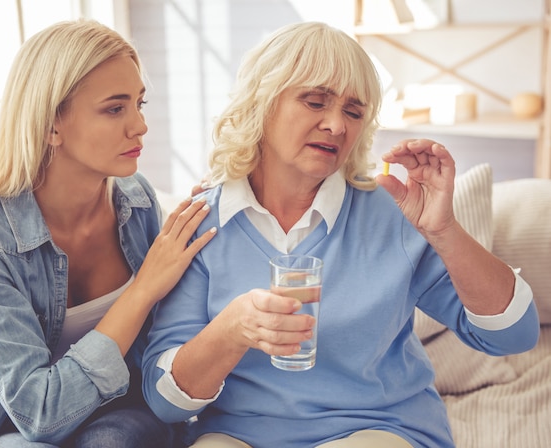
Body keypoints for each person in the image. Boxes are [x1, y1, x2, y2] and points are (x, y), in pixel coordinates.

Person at [141, 21, 540, 448]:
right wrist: (232, 330)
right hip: (238, 432)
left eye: (354, 112)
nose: (336, 125)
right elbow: (165, 401)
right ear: (261, 102)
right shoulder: (202, 221)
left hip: (377, 426)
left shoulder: (391, 213)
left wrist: (444, 232)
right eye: (315, 102)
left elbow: (512, 336)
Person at [0, 19, 216, 448]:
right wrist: (141, 291)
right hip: (13, 426)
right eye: (115, 108)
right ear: (51, 125)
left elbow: (168, 340)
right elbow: (38, 416)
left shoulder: (137, 201)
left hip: (120, 409)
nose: (140, 126)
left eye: (140, 103)